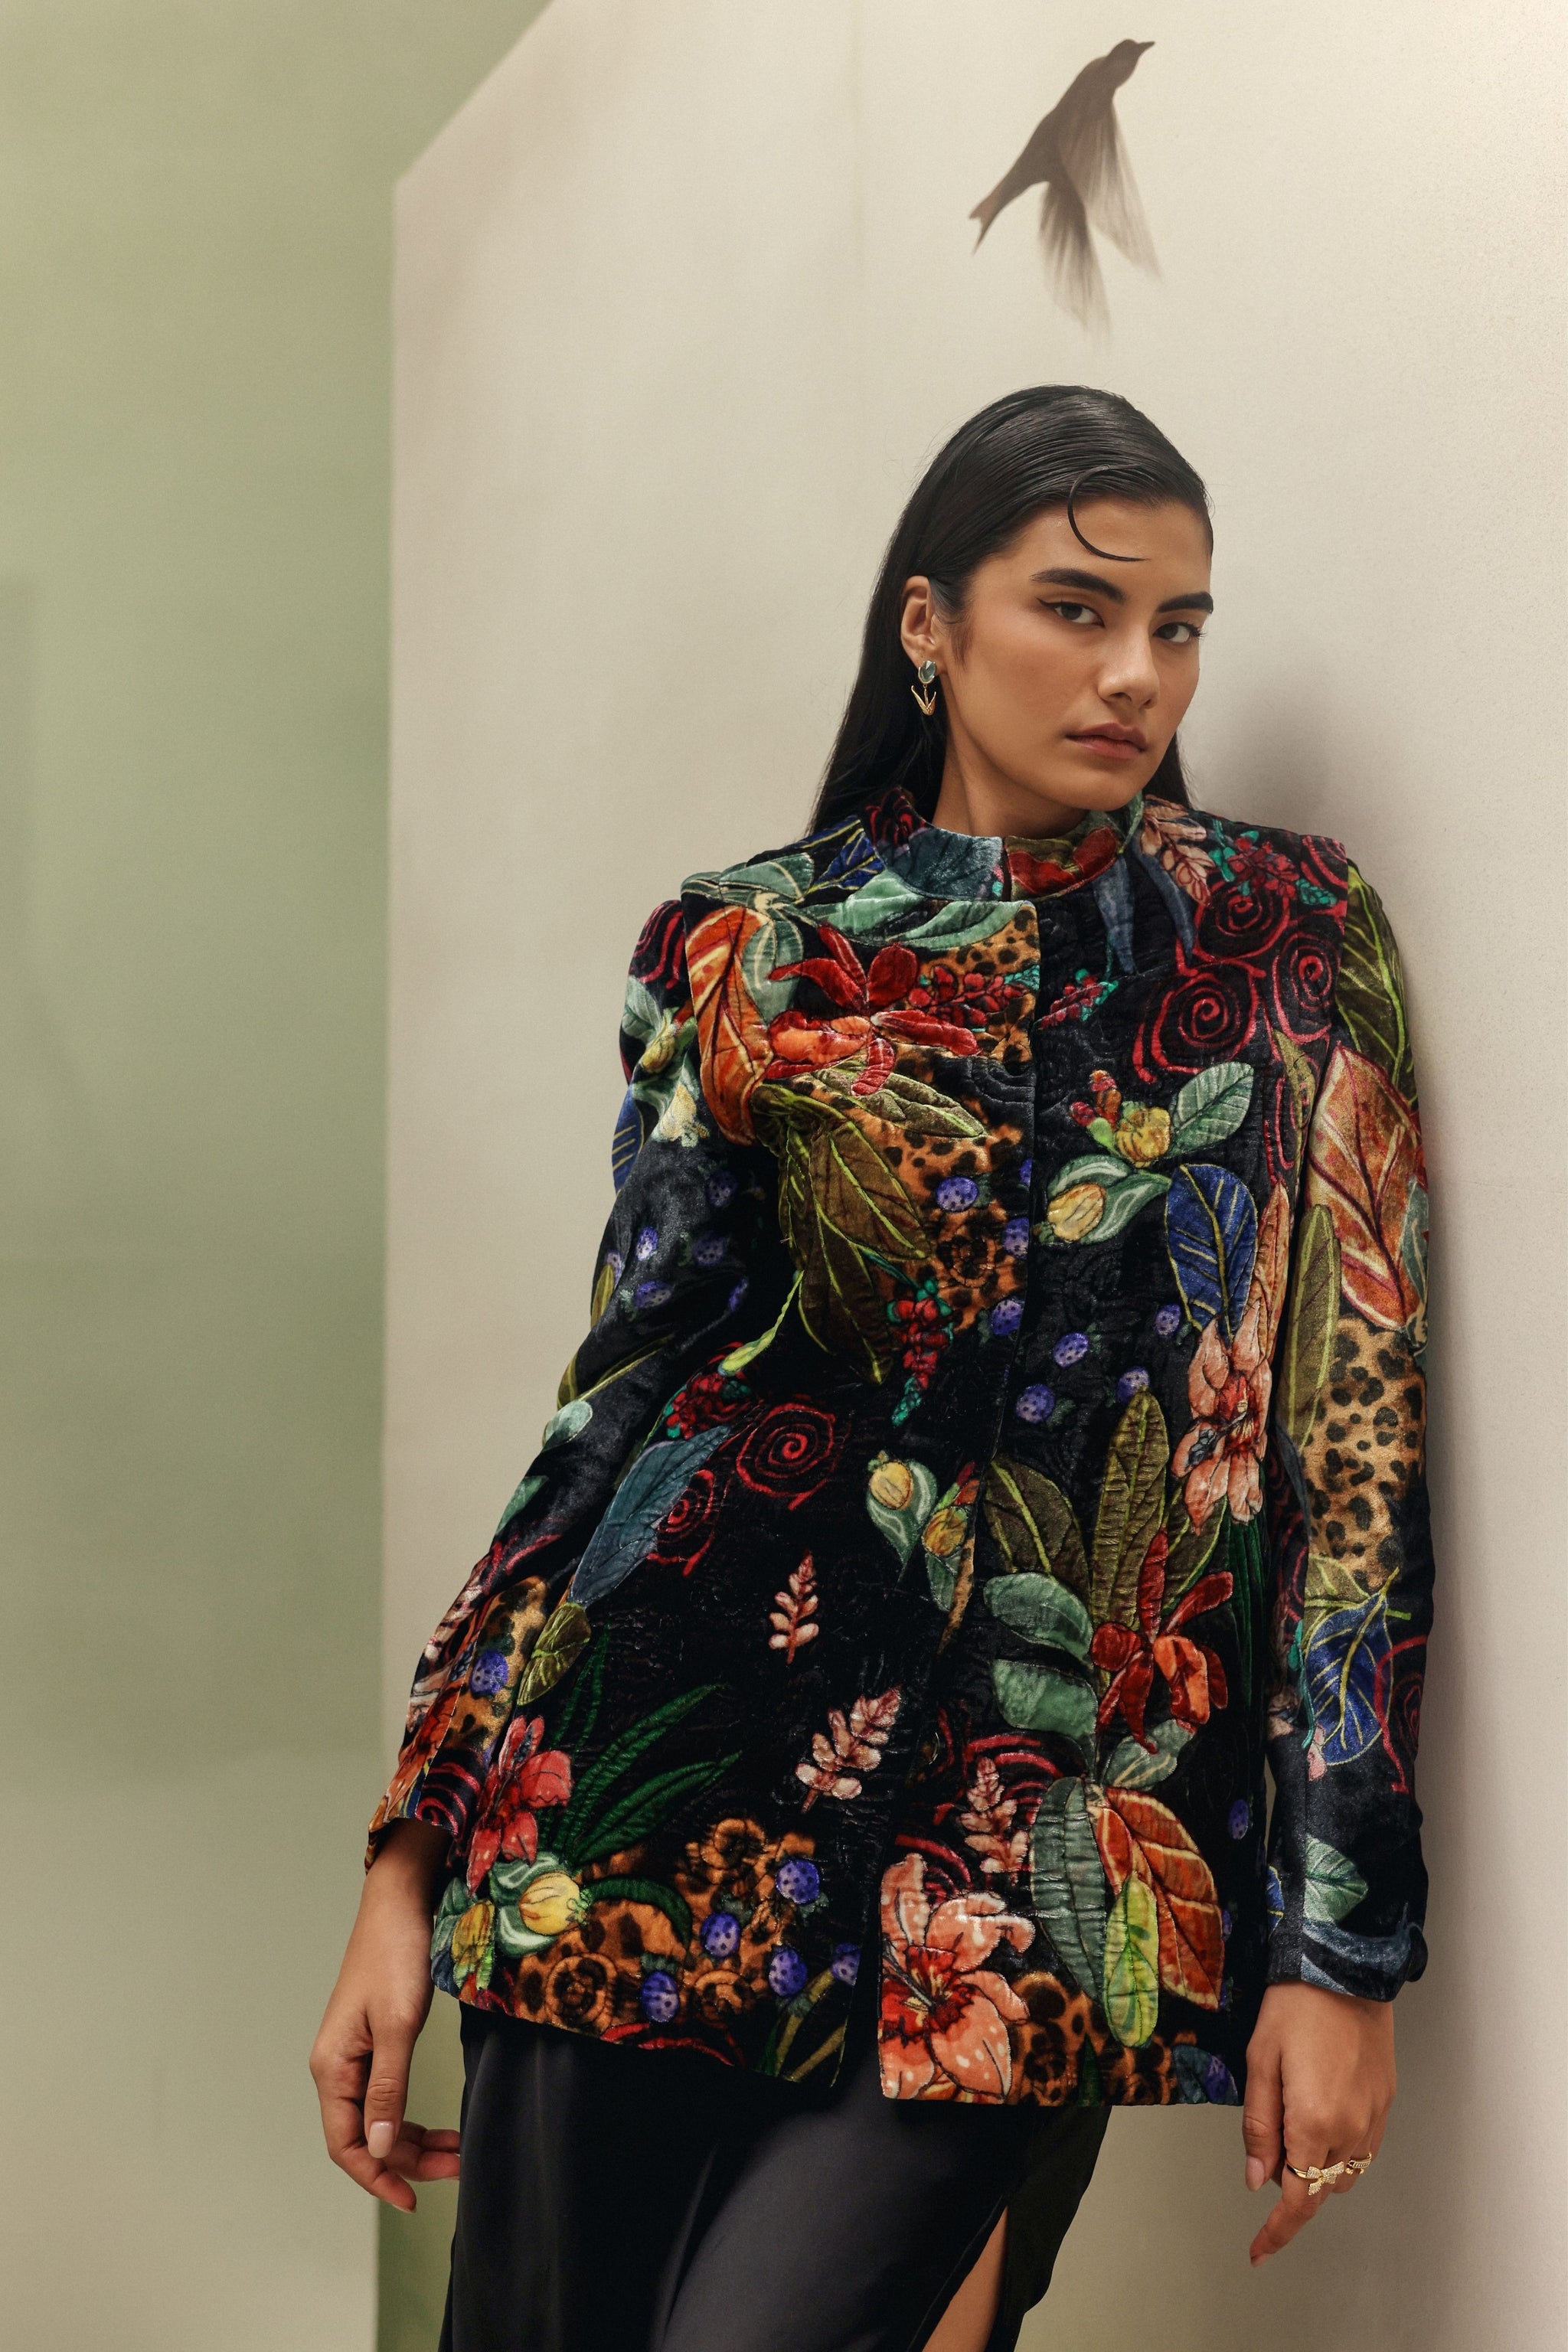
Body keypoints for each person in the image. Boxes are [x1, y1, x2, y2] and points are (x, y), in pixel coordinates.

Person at [312, 386, 1433, 2352]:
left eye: (1176, 626)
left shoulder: (1283, 932)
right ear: (930, 624)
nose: (1135, 672)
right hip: (639, 1813)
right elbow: (620, 1402)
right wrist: (407, 1861)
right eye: (1076, 608)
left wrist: (1339, 1950)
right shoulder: (742, 944)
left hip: (1022, 1881)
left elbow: (1353, 1464)